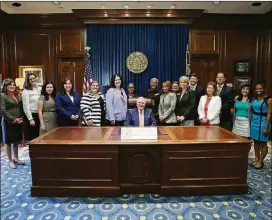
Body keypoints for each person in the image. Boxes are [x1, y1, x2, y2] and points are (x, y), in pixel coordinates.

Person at [1, 78, 24, 169]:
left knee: (16, 141)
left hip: (18, 121)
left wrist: (20, 118)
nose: (12, 86)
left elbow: (20, 106)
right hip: (8, 122)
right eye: (9, 85)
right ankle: (10, 160)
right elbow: (2, 110)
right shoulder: (2, 95)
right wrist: (13, 119)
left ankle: (16, 158)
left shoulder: (17, 94)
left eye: (13, 84)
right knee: (8, 142)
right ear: (5, 86)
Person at [250, 81, 271, 169]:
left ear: (264, 89)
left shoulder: (268, 100)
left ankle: (261, 161)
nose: (258, 90)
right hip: (254, 121)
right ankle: (256, 158)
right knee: (255, 142)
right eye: (257, 89)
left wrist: (267, 128)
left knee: (263, 143)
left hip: (263, 122)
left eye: (260, 88)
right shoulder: (255, 98)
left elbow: (269, 114)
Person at [22, 73, 41, 141]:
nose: (33, 80)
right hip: (32, 115)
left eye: (33, 78)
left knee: (40, 136)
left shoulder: (39, 88)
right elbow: (25, 105)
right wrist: (30, 119)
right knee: (33, 137)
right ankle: (32, 151)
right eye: (30, 79)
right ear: (28, 81)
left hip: (40, 114)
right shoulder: (26, 91)